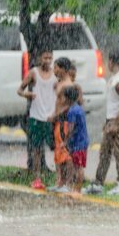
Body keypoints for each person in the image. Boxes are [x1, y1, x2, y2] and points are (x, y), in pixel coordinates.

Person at [84, 50, 119, 195]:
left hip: (117, 120)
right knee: (104, 152)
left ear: (111, 61)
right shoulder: (114, 78)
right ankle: (99, 182)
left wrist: (116, 123)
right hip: (111, 120)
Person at [17, 48, 56, 189]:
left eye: (50, 58)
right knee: (37, 150)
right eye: (45, 58)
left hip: (50, 118)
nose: (47, 61)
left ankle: (60, 180)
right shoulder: (33, 73)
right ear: (40, 58)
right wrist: (27, 95)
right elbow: (19, 90)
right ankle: (37, 178)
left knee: (56, 148)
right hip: (36, 116)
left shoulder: (55, 74)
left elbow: (60, 91)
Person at [47, 57, 74, 193]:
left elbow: (69, 105)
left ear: (63, 69)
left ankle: (68, 184)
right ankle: (60, 182)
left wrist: (55, 116)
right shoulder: (60, 83)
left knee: (66, 153)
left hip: (64, 121)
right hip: (58, 121)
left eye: (56, 67)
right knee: (58, 152)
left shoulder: (68, 85)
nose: (54, 70)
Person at [63, 86, 89, 194]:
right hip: (83, 141)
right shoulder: (79, 108)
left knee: (78, 167)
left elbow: (70, 129)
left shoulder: (72, 111)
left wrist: (65, 141)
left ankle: (77, 190)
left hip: (78, 143)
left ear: (68, 98)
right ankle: (76, 188)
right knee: (78, 166)